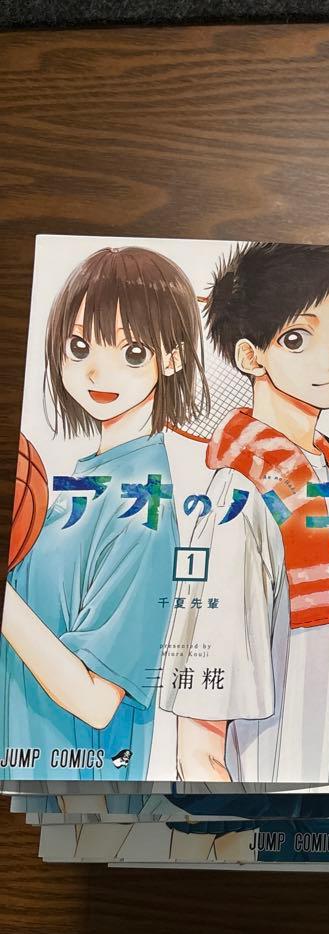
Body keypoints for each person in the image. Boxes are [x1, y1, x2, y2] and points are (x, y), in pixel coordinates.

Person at [162, 243, 329, 784]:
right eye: (298, 339)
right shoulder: (240, 496)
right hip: (275, 779)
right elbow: (200, 736)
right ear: (251, 357)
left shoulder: (327, 472)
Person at [0, 246, 208, 781]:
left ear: (173, 358)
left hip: (75, 790)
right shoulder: (79, 482)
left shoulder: (143, 511)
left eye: (133, 352)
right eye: (79, 345)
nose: (97, 369)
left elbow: (96, 702)